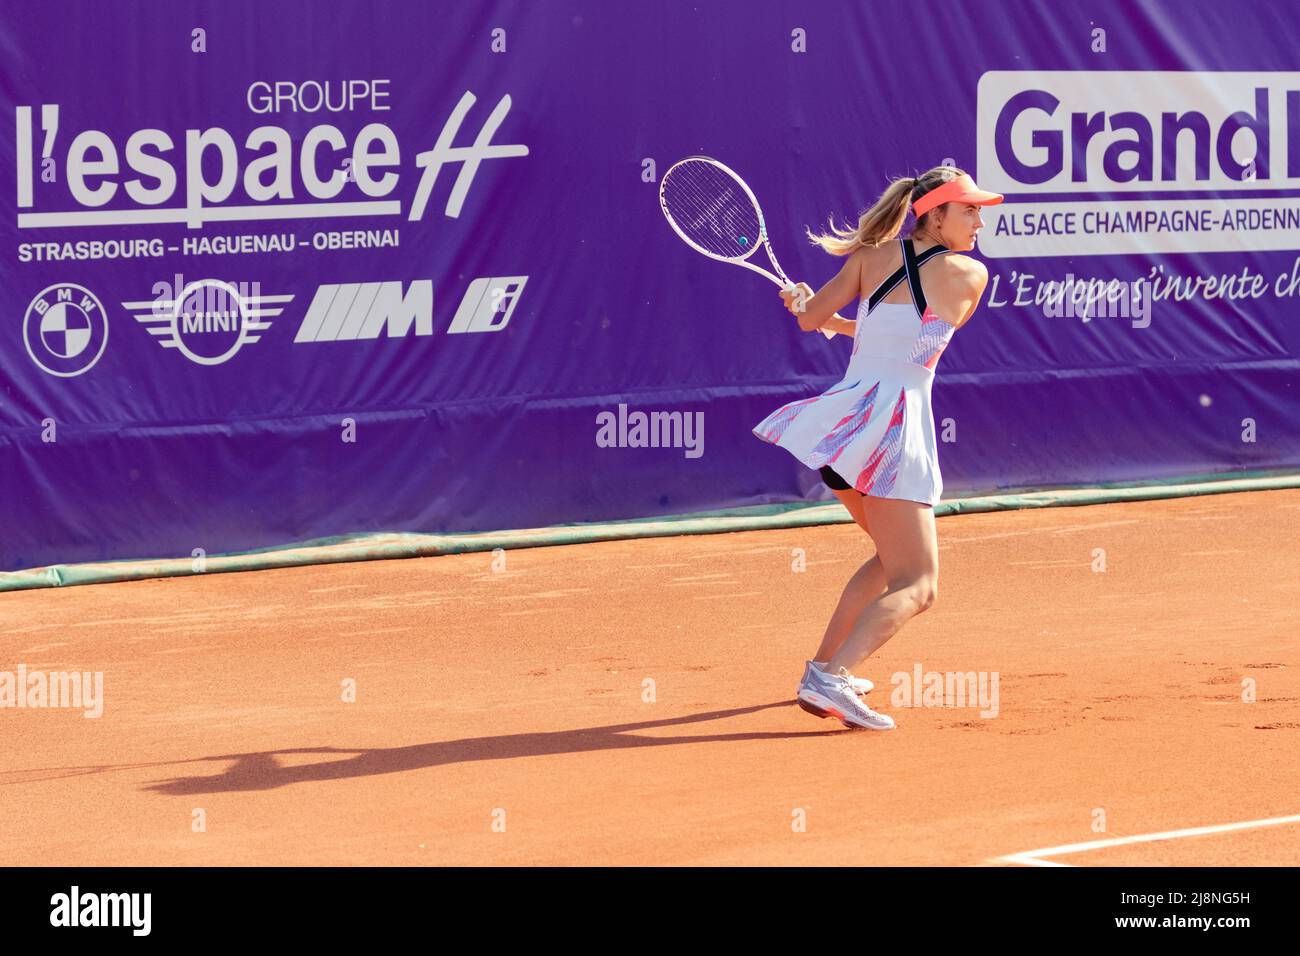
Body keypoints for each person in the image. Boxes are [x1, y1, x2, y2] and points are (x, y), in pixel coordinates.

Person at [751, 166, 1001, 730]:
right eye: (968, 210)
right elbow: (921, 344)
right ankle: (831, 681)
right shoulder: (967, 274)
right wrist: (831, 317)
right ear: (933, 214)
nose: (979, 220)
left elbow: (821, 322)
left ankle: (823, 665)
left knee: (891, 560)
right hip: (890, 431)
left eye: (979, 210)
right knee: (919, 583)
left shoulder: (867, 258)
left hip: (842, 427)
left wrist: (808, 306)